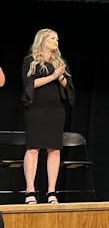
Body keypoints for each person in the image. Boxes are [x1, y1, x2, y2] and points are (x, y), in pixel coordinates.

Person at [21, 29, 75, 204]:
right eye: (52, 38)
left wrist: (60, 78)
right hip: (36, 110)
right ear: (43, 40)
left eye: (57, 39)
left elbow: (68, 87)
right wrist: (52, 76)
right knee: (33, 148)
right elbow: (30, 84)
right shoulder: (30, 61)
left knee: (54, 149)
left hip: (55, 111)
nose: (56, 41)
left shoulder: (60, 61)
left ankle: (51, 192)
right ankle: (30, 190)